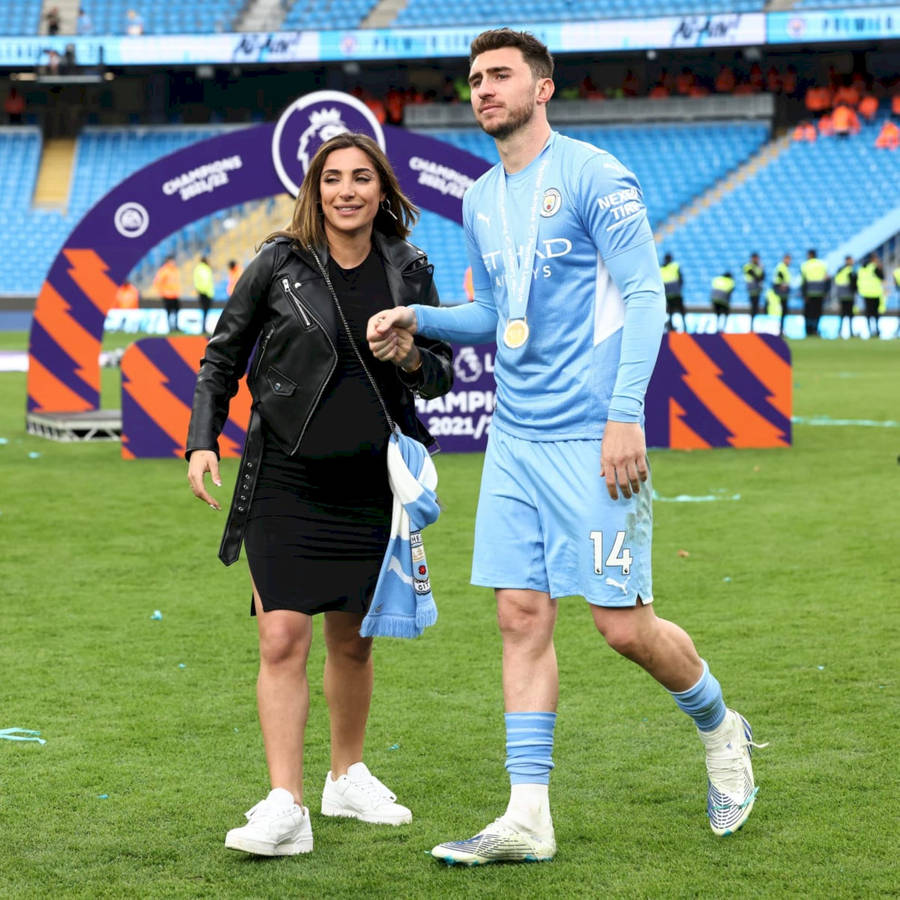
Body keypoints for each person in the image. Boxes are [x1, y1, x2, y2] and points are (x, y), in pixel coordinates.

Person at [368, 28, 762, 866]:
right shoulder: (478, 198)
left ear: (543, 88)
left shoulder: (594, 176)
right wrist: (421, 319)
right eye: (474, 78)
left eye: (501, 75)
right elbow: (493, 314)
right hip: (514, 436)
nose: (483, 89)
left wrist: (626, 414)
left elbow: (646, 295)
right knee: (519, 615)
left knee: (621, 625)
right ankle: (527, 816)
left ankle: (721, 726)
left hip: (593, 435)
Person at [185, 132, 453, 858]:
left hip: (371, 483)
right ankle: (285, 804)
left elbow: (441, 375)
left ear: (381, 188)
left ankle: (346, 775)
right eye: (332, 178)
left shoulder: (409, 267)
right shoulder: (278, 261)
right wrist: (203, 439)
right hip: (283, 476)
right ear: (315, 188)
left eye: (361, 178)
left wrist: (412, 356)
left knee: (354, 643)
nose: (346, 191)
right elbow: (221, 357)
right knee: (281, 636)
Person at [800, 249, 828, 337]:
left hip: (809, 293)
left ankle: (808, 330)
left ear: (810, 255)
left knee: (808, 312)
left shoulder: (805, 265)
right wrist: (825, 292)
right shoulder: (822, 264)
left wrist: (804, 294)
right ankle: (816, 329)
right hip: (820, 292)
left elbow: (803, 281)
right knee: (817, 312)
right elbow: (826, 278)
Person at [857, 253, 885, 339]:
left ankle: (869, 330)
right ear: (873, 259)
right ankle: (876, 330)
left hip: (865, 293)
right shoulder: (875, 267)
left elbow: (859, 279)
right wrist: (880, 269)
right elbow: (882, 277)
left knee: (868, 312)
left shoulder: (862, 268)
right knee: (875, 313)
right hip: (875, 293)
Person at [152, 255, 182, 332]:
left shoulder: (175, 270)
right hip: (167, 295)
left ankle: (176, 326)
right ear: (168, 261)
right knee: (168, 311)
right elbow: (157, 282)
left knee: (177, 311)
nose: (173, 262)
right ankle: (169, 326)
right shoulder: (164, 270)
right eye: (172, 261)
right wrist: (162, 292)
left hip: (175, 295)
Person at [660, 253, 685, 332]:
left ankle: (670, 328)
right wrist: (679, 288)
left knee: (670, 311)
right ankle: (684, 328)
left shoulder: (661, 268)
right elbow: (681, 279)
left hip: (667, 295)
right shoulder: (675, 266)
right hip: (676, 293)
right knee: (681, 311)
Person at [834, 256, 857, 339]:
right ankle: (849, 332)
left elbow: (837, 281)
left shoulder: (840, 270)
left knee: (844, 314)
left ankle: (840, 331)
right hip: (848, 294)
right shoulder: (850, 270)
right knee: (848, 314)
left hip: (842, 294)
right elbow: (854, 283)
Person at [742, 252, 765, 331]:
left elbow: (762, 277)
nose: (755, 259)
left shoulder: (759, 266)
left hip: (758, 290)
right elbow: (755, 276)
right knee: (753, 307)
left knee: (755, 308)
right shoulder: (748, 266)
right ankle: (751, 326)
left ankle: (753, 326)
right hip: (752, 289)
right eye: (754, 258)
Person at [193, 255, 215, 333]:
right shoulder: (205, 269)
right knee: (205, 311)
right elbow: (205, 282)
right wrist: (205, 291)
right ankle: (203, 328)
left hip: (203, 292)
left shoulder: (199, 268)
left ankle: (203, 328)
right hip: (205, 293)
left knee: (204, 311)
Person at [773, 253, 792, 336]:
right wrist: (782, 284)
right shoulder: (781, 267)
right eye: (787, 259)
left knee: (784, 311)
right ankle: (780, 329)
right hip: (781, 292)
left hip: (784, 292)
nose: (788, 261)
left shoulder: (784, 268)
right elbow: (779, 278)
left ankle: (781, 329)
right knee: (782, 310)